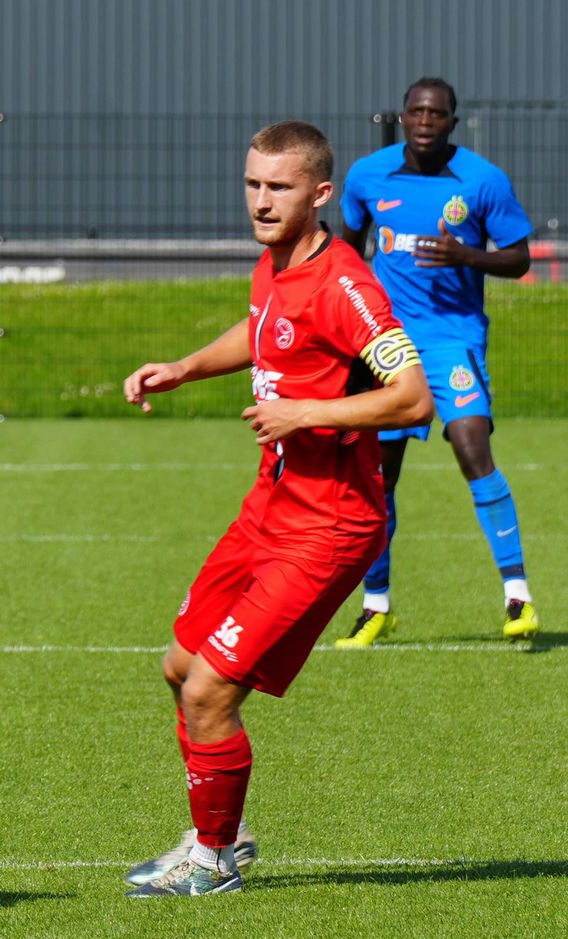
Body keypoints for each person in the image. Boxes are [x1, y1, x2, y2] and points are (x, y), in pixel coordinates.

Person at [121, 121, 432, 897]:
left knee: (209, 691)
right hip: (272, 501)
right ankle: (216, 830)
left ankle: (215, 858)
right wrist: (186, 368)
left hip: (330, 522)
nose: (261, 201)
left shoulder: (345, 285)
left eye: (279, 187)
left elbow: (410, 393)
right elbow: (264, 333)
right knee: (179, 666)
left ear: (320, 194)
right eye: (254, 184)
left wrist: (304, 414)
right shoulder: (276, 262)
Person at [335, 77, 538, 648]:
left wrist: (465, 255)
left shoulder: (482, 181)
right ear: (402, 116)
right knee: (381, 472)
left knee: (472, 444)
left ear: (452, 121)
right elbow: (348, 254)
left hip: (453, 340)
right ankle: (376, 606)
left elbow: (519, 258)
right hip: (388, 343)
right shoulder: (367, 175)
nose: (426, 121)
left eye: (438, 114)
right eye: (417, 111)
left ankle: (517, 595)